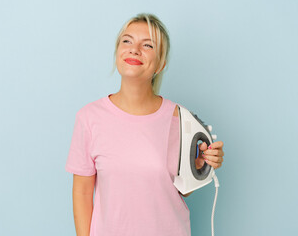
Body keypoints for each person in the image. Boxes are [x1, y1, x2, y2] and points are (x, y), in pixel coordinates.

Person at [65, 13, 225, 236]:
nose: (134, 49)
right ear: (117, 52)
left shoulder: (179, 118)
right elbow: (82, 192)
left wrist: (198, 166)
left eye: (147, 45)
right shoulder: (89, 118)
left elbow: (177, 190)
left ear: (160, 63)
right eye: (127, 41)